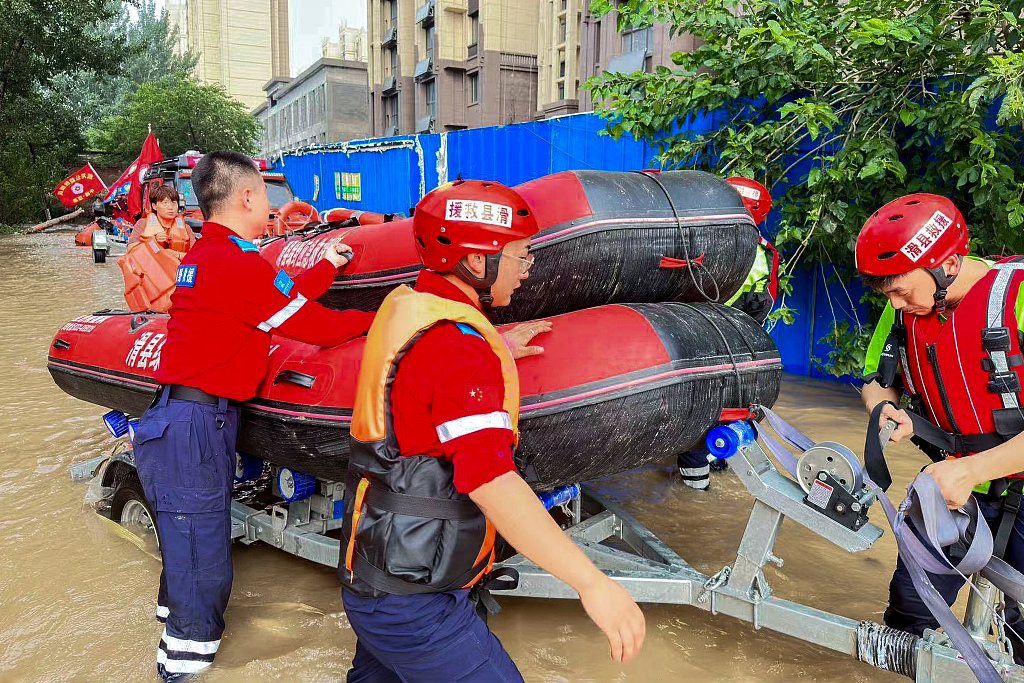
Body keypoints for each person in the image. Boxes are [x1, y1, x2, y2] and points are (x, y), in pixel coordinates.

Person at [339, 179, 646, 682]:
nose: (528, 270)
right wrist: (593, 583)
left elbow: (424, 384)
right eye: (521, 255)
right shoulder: (459, 349)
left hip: (376, 578)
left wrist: (495, 346)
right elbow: (491, 480)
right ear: (479, 262)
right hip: (416, 605)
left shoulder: (414, 312)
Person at [131, 150, 375, 681]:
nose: (271, 206)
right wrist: (393, 315)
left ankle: (176, 641)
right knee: (203, 564)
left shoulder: (211, 256)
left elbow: (279, 300)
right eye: (266, 195)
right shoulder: (231, 265)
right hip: (193, 426)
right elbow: (314, 327)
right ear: (245, 197)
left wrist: (326, 266)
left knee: (188, 552)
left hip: (185, 421)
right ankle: (182, 669)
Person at [857, 193, 1024, 660]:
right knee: (908, 616)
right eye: (884, 292)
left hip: (990, 482)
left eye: (900, 290)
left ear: (948, 265)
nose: (893, 302)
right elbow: (876, 379)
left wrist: (971, 470)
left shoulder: (1018, 296)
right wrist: (883, 408)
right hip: (952, 487)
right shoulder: (906, 310)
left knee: (1021, 638)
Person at [677, 176, 781, 490]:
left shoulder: (700, 244)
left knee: (693, 417)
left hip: (700, 347)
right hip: (739, 353)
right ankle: (716, 469)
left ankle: (694, 494)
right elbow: (766, 303)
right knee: (724, 418)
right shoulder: (766, 254)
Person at [129, 184, 196, 259]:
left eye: (174, 203)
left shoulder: (186, 228)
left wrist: (177, 255)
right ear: (154, 206)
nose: (170, 207)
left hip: (176, 269)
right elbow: (130, 249)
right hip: (151, 268)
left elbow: (196, 255)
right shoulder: (143, 224)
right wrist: (153, 241)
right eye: (165, 203)